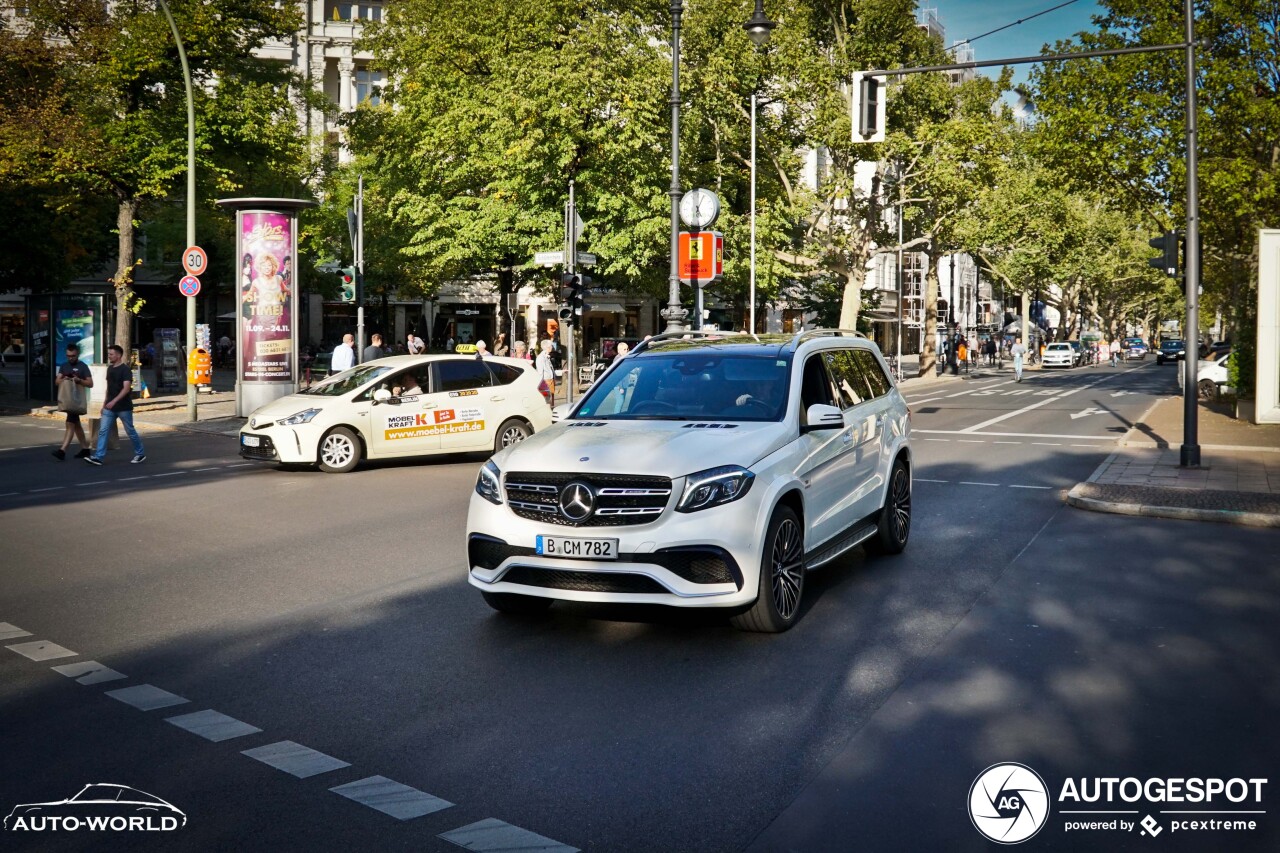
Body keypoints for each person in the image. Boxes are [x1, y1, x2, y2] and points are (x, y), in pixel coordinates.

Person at [85, 345, 145, 466]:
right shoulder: (110, 369)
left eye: (111, 354)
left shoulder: (125, 370)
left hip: (123, 407)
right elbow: (109, 388)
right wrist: (105, 404)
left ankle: (140, 453)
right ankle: (99, 457)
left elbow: (126, 388)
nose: (109, 356)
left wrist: (114, 401)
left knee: (130, 431)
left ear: (118, 355)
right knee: (103, 430)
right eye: (109, 354)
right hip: (109, 407)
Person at [53, 343, 93, 460]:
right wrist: (64, 378)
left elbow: (90, 383)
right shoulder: (64, 366)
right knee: (76, 425)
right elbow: (57, 381)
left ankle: (62, 450)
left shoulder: (83, 366)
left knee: (70, 423)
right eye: (68, 356)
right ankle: (85, 449)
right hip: (67, 399)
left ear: (77, 354)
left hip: (76, 400)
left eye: (73, 356)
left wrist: (79, 380)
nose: (70, 358)